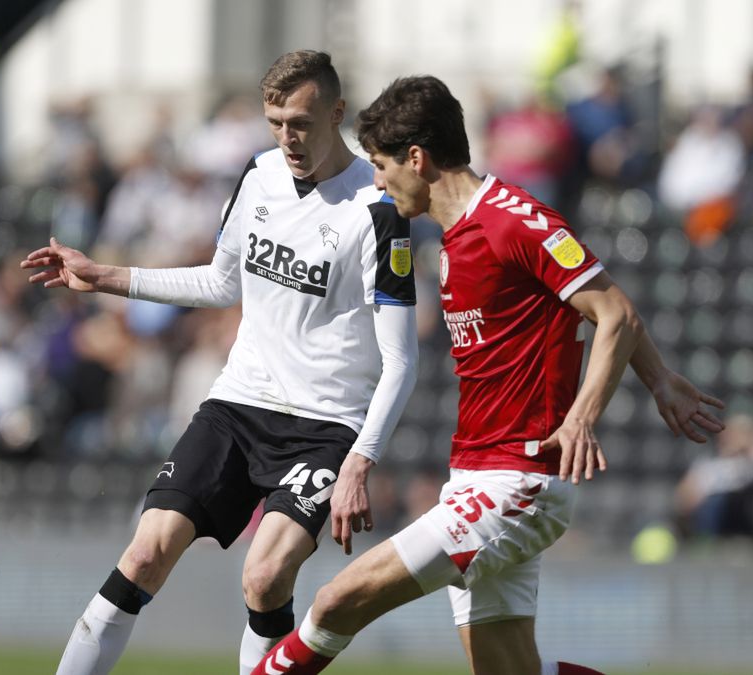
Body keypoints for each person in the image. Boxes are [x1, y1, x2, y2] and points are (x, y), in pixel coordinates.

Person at [252, 76, 725, 675]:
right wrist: (658, 380)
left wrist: (584, 416)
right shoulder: (454, 237)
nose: (376, 180)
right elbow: (611, 310)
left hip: (515, 482)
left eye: (379, 165)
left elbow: (613, 312)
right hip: (476, 473)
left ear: (416, 159)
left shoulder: (512, 221)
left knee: (336, 602)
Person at [21, 51, 419, 675]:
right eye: (275, 121)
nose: (287, 138)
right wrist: (105, 277)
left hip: (325, 425)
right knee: (145, 553)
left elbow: (401, 358)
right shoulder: (257, 176)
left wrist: (360, 462)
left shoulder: (376, 208)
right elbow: (218, 283)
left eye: (301, 122)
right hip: (238, 403)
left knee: (263, 578)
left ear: (337, 114)